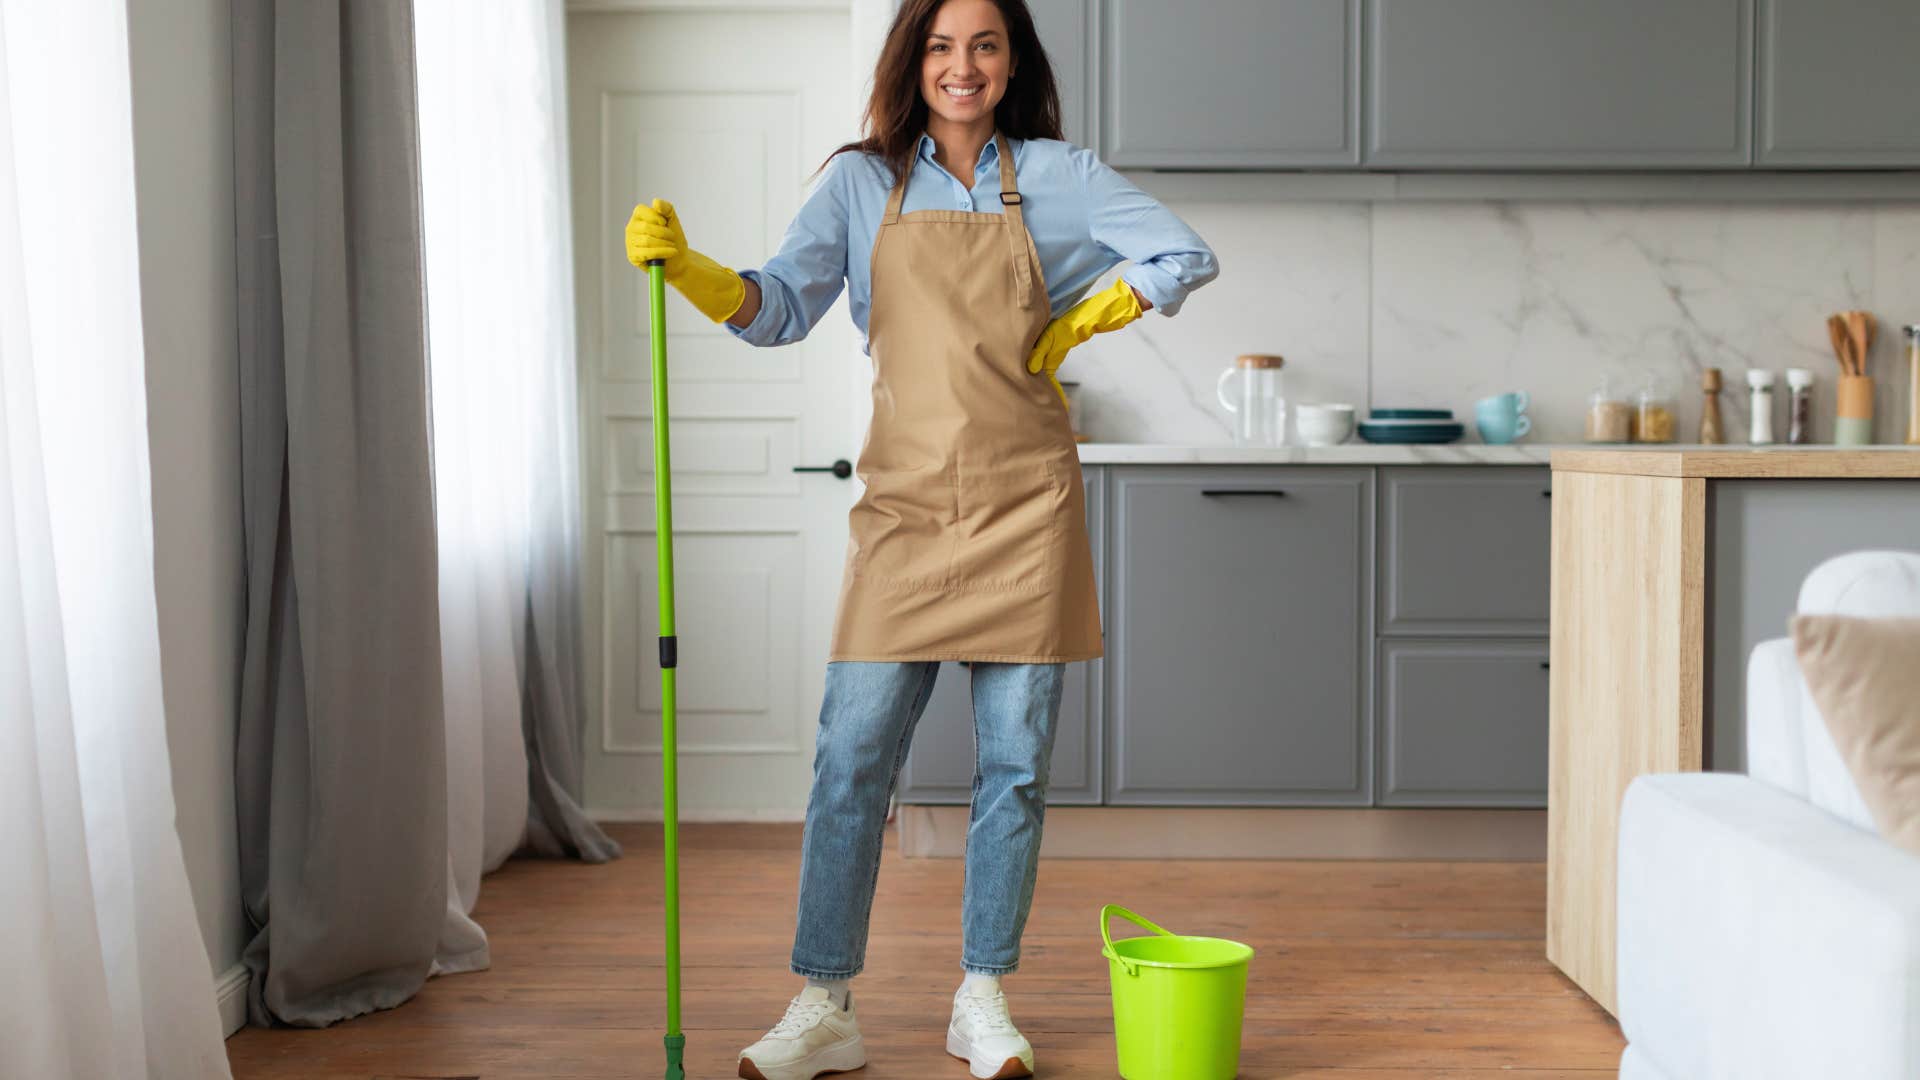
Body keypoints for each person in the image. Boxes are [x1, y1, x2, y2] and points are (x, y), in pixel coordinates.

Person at [623, 0, 1216, 1075]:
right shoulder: (860, 183)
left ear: (1012, 61)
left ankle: (982, 995)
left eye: (985, 44)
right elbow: (775, 312)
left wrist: (1109, 302)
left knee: (1014, 770)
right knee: (849, 759)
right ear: (913, 59)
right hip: (900, 507)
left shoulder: (1056, 173)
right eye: (942, 45)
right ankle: (825, 1002)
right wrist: (698, 270)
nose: (963, 65)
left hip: (1026, 504)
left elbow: (1186, 252)